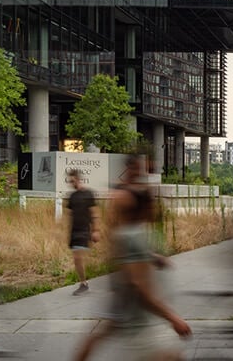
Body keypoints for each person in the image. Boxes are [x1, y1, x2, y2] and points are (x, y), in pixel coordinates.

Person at [73, 154, 191, 361]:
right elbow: (139, 284)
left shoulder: (132, 223)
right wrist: (172, 317)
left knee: (104, 330)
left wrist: (149, 256)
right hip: (132, 298)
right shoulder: (123, 197)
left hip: (125, 282)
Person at [66, 167, 97, 294]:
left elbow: (94, 213)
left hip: (84, 230)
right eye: (70, 181)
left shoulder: (88, 194)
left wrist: (96, 230)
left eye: (72, 181)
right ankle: (83, 282)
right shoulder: (72, 196)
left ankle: (84, 283)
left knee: (78, 257)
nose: (71, 183)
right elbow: (68, 215)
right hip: (74, 231)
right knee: (77, 258)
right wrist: (66, 232)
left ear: (78, 179)